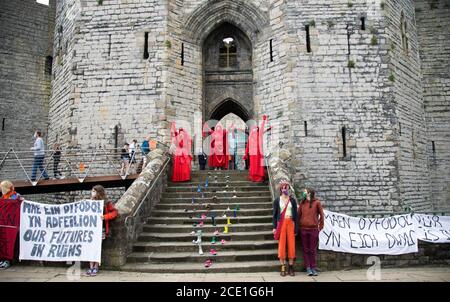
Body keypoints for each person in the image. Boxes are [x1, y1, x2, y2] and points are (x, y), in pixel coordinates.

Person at [86, 185, 118, 277]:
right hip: (90, 229)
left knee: (97, 247)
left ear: (99, 193)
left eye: (94, 191)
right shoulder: (89, 202)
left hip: (100, 229)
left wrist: (105, 217)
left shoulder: (106, 203)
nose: (92, 193)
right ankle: (90, 266)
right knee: (90, 247)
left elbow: (115, 212)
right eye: (92, 191)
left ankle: (96, 267)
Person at [272, 180, 298, 277]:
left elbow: (296, 215)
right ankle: (282, 267)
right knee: (282, 245)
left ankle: (291, 267)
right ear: (280, 189)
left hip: (290, 222)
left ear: (288, 188)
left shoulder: (292, 200)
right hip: (281, 223)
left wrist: (296, 228)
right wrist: (274, 227)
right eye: (282, 188)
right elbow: (274, 215)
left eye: (286, 187)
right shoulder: (277, 200)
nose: (284, 189)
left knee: (291, 245)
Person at [298, 187, 324, 277]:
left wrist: (320, 226)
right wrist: (298, 227)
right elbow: (298, 215)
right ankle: (308, 267)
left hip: (313, 230)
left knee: (312, 250)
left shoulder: (317, 203)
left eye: (305, 192)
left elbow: (322, 215)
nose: (304, 193)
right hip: (303, 229)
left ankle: (313, 267)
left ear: (309, 193)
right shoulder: (302, 203)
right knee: (305, 249)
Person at [0, 180, 22, 270]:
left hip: (12, 224)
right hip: (4, 223)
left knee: (10, 242)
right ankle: (4, 259)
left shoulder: (15, 196)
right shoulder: (3, 197)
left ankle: (8, 260)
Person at [243, 115, 271, 182]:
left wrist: (264, 121)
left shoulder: (259, 134)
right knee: (253, 165)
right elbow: (247, 146)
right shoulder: (250, 136)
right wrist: (246, 154)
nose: (254, 130)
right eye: (253, 129)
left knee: (258, 165)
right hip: (253, 153)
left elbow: (262, 128)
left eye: (256, 129)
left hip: (258, 152)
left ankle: (259, 177)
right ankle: (253, 177)